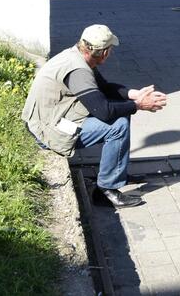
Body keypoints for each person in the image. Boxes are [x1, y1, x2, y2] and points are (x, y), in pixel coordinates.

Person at [22, 24, 168, 208]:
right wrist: (139, 105)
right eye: (110, 49)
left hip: (50, 118)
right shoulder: (78, 71)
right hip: (48, 129)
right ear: (104, 52)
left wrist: (134, 95)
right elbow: (103, 111)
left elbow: (105, 88)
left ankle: (115, 173)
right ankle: (106, 191)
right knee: (118, 125)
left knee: (122, 110)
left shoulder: (76, 56)